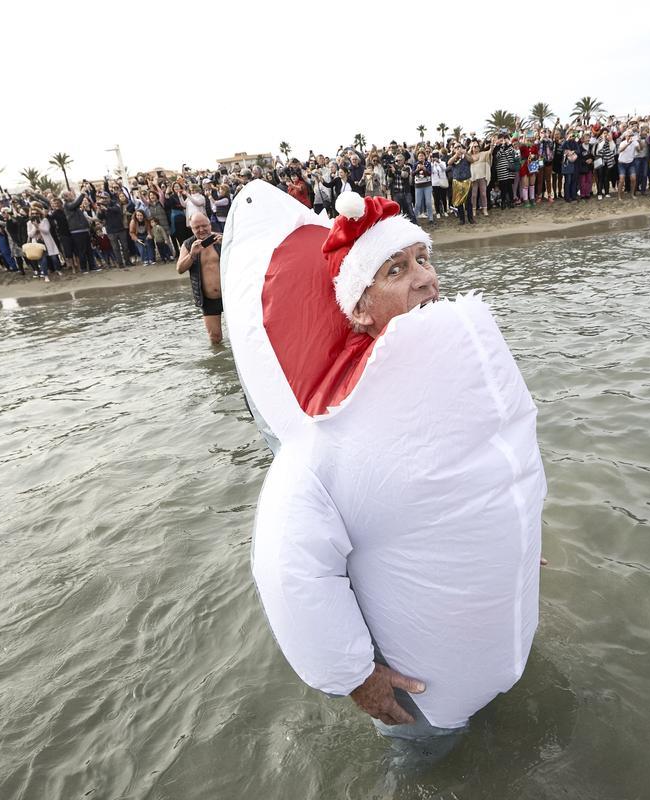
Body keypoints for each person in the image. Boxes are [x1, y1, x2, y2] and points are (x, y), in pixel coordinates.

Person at [222, 184, 544, 751]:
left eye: (423, 258)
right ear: (361, 309)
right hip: (423, 694)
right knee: (433, 767)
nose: (424, 277)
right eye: (397, 269)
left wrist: (518, 535)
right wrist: (355, 678)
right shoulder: (330, 438)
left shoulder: (459, 377)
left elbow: (495, 466)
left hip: (503, 640)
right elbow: (290, 570)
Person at [176, 212, 224, 345]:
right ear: (191, 228)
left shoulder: (221, 238)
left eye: (204, 226)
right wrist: (192, 254)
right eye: (197, 227)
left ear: (210, 224)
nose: (201, 230)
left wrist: (227, 245)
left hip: (230, 295)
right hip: (208, 300)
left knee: (240, 332)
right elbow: (179, 269)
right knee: (215, 337)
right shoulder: (188, 244)